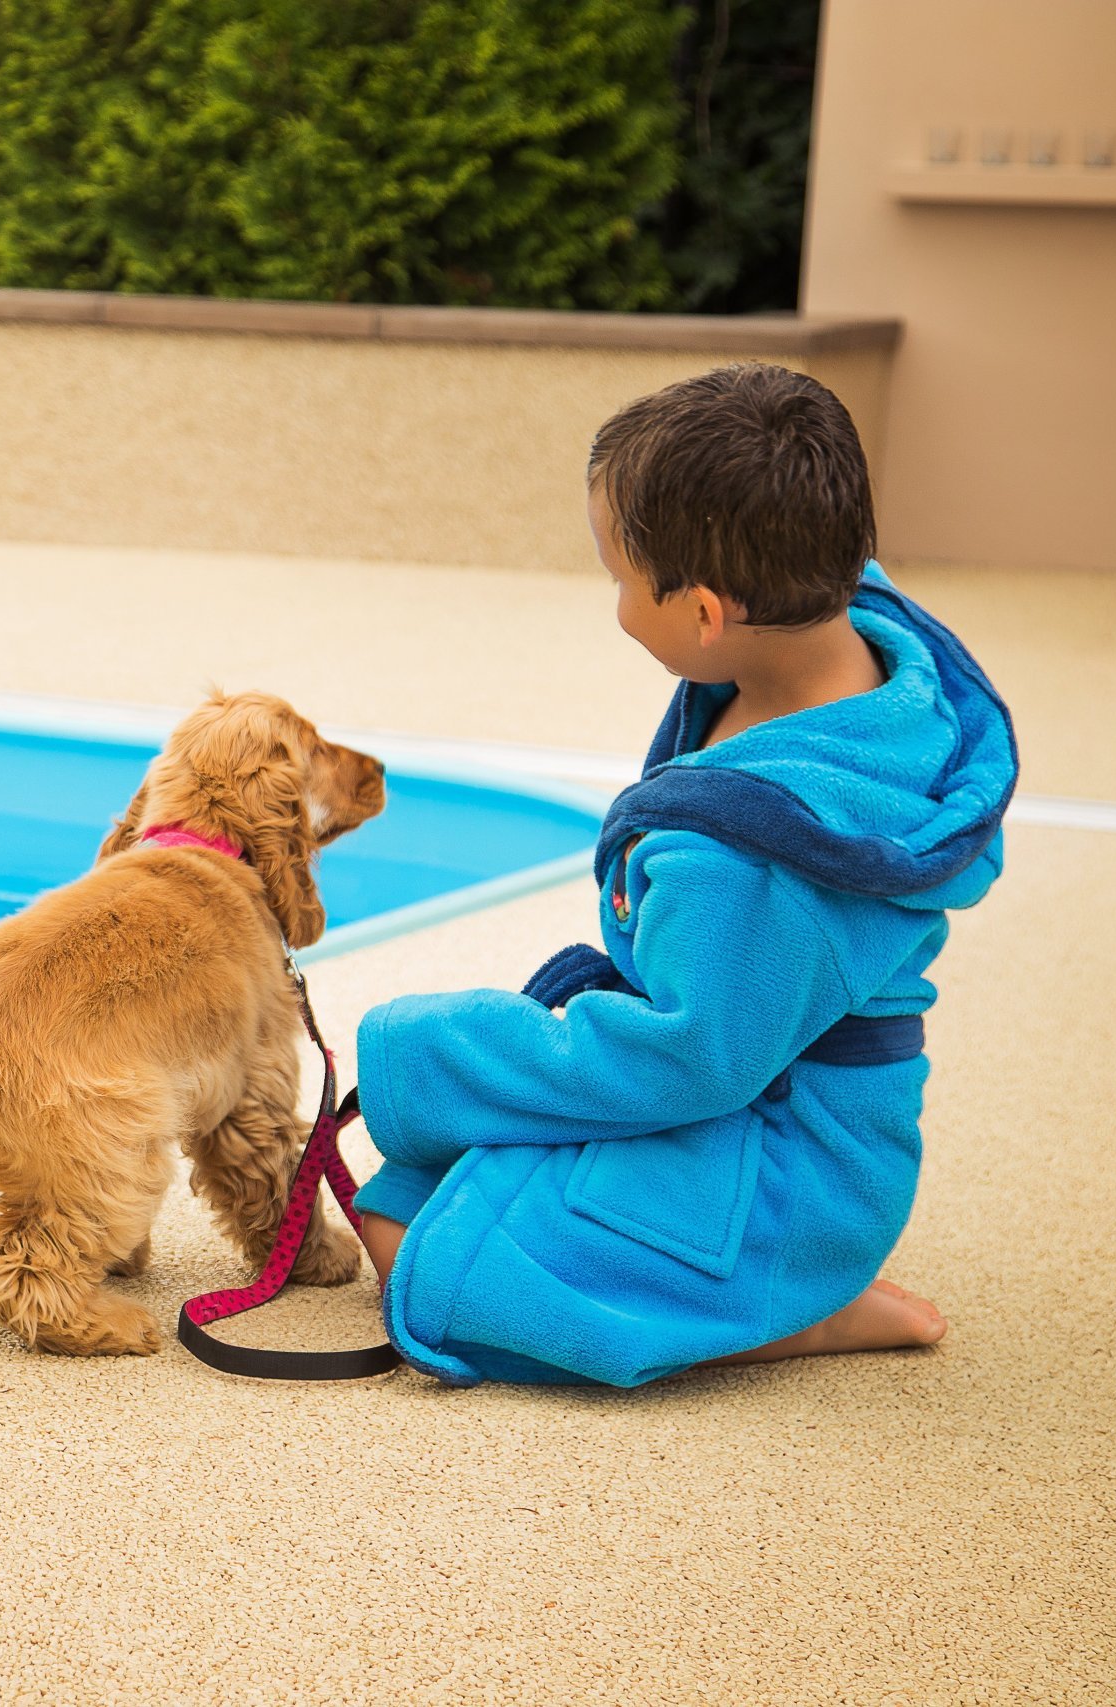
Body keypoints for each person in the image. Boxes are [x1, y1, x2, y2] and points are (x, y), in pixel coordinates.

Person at [348, 363, 1016, 1387]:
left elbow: (680, 1060)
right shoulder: (850, 639)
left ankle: (790, 1311)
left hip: (794, 1170)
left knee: (418, 1249)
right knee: (411, 1189)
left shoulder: (755, 854)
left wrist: (435, 1050)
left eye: (620, 578)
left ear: (706, 614)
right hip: (781, 1104)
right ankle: (770, 1292)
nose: (616, 604)